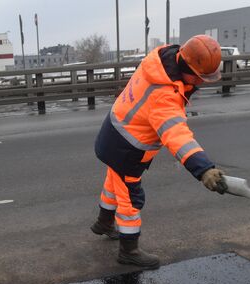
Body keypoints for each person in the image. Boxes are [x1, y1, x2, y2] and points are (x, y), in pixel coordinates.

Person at [90, 35, 227, 269]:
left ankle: (103, 223)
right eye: (201, 78)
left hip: (114, 131)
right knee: (131, 198)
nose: (202, 83)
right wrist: (204, 169)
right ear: (188, 68)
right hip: (126, 147)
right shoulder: (165, 95)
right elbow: (177, 136)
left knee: (113, 183)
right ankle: (129, 250)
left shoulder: (161, 60)